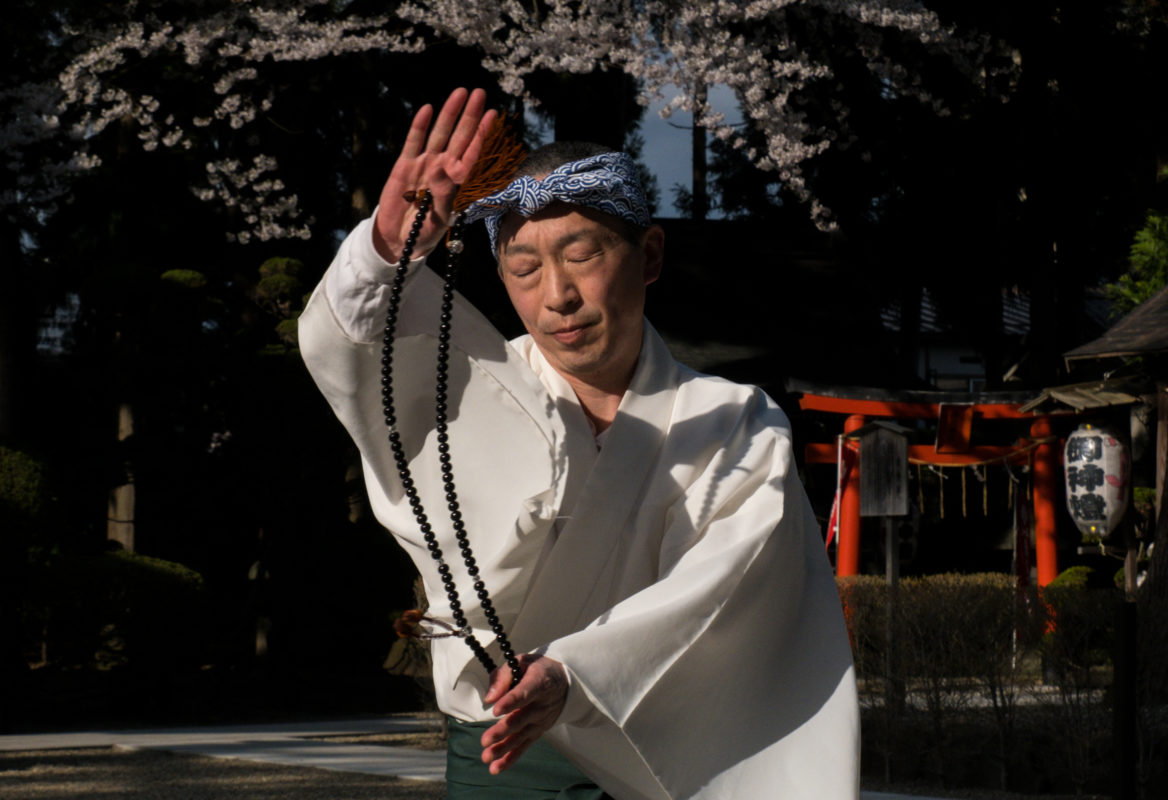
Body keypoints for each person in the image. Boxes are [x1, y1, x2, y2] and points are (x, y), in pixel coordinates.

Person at [299, 87, 859, 799]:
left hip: (667, 754)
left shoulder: (734, 422)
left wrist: (577, 672)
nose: (557, 295)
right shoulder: (464, 391)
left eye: (581, 255)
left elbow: (726, 586)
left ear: (648, 254)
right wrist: (386, 247)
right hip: (502, 751)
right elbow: (347, 347)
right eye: (525, 267)